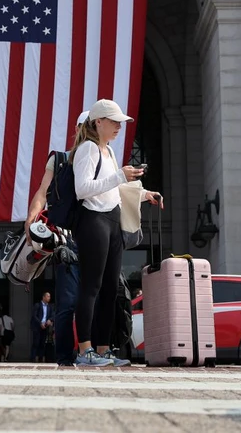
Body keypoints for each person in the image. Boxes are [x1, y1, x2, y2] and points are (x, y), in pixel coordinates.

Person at [72, 99, 159, 367]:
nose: (120, 126)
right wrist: (120, 176)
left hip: (112, 219)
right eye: (114, 121)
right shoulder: (88, 149)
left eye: (122, 122)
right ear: (98, 122)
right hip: (93, 220)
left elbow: (113, 189)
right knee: (92, 286)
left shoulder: (107, 151)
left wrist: (144, 194)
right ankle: (85, 350)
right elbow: (83, 188)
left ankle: (103, 348)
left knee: (111, 289)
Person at [25, 110, 89, 367]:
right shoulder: (61, 159)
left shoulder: (104, 159)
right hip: (66, 238)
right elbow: (42, 191)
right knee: (68, 301)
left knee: (95, 297)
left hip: (95, 237)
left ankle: (95, 351)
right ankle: (65, 357)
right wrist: (31, 221)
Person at [31, 291, 53, 362]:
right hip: (38, 327)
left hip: (45, 327)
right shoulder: (37, 305)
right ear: (43, 297)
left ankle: (41, 358)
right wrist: (40, 323)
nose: (49, 298)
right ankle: (33, 358)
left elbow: (52, 315)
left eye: (49, 296)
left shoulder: (50, 307)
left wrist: (50, 320)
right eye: (47, 296)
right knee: (36, 343)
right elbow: (34, 316)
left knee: (42, 343)